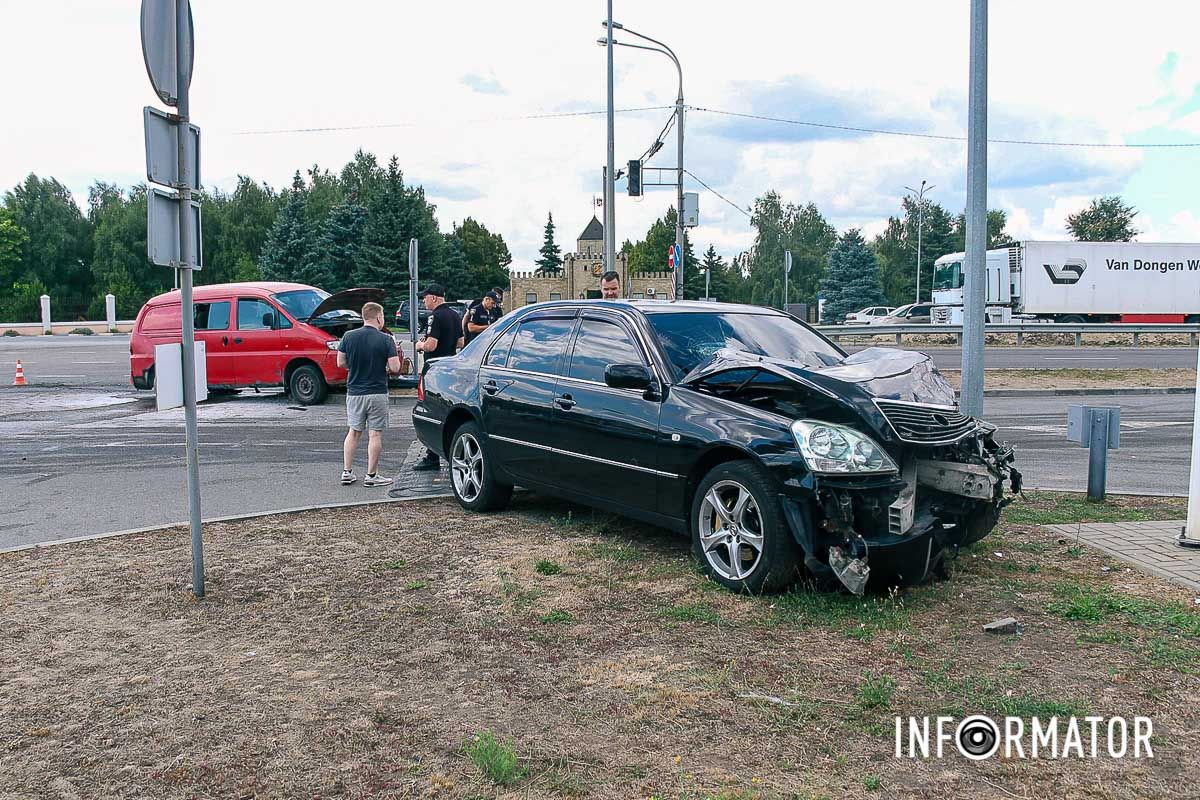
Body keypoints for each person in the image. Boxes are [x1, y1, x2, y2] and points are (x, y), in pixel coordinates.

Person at [338, 302, 402, 487]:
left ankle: (347, 472)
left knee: (353, 432)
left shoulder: (348, 336)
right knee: (375, 435)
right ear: (379, 317)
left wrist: (354, 366)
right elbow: (395, 367)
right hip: (377, 392)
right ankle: (371, 476)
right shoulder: (386, 339)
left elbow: (340, 362)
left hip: (355, 392)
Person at [412, 283, 461, 471]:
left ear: (433, 297)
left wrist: (419, 345)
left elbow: (431, 345)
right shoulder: (455, 315)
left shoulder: (435, 316)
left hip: (434, 369)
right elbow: (461, 342)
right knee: (446, 409)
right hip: (450, 367)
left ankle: (432, 456)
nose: (424, 301)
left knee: (431, 410)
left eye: (425, 298)